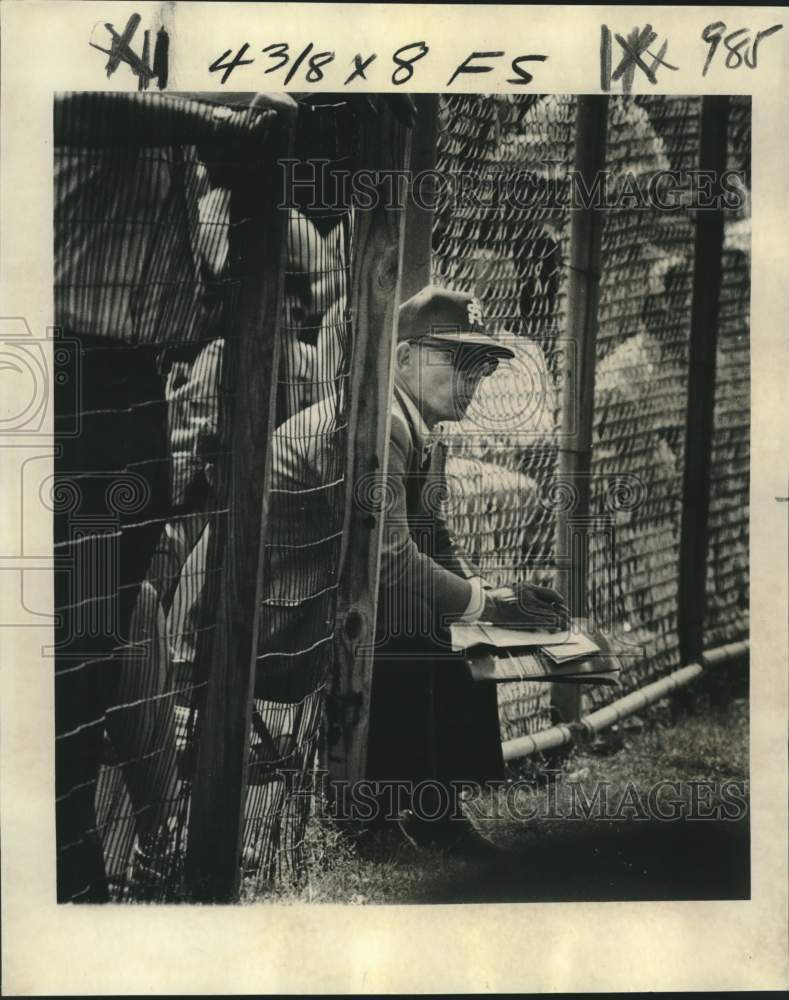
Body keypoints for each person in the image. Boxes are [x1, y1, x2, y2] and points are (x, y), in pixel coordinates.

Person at [53, 90, 296, 901]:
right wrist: (216, 124)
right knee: (72, 642)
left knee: (96, 642)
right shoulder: (86, 83)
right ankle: (62, 856)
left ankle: (73, 853)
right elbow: (65, 105)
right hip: (69, 378)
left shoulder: (168, 137)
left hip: (128, 388)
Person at [260, 285, 568, 848]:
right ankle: (381, 816)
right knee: (418, 618)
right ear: (402, 358)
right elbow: (391, 560)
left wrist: (490, 599)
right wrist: (485, 603)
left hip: (328, 604)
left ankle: (437, 810)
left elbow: (433, 541)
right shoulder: (377, 426)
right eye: (459, 362)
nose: (473, 383)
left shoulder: (414, 425)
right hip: (274, 628)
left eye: (482, 370)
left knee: (451, 618)